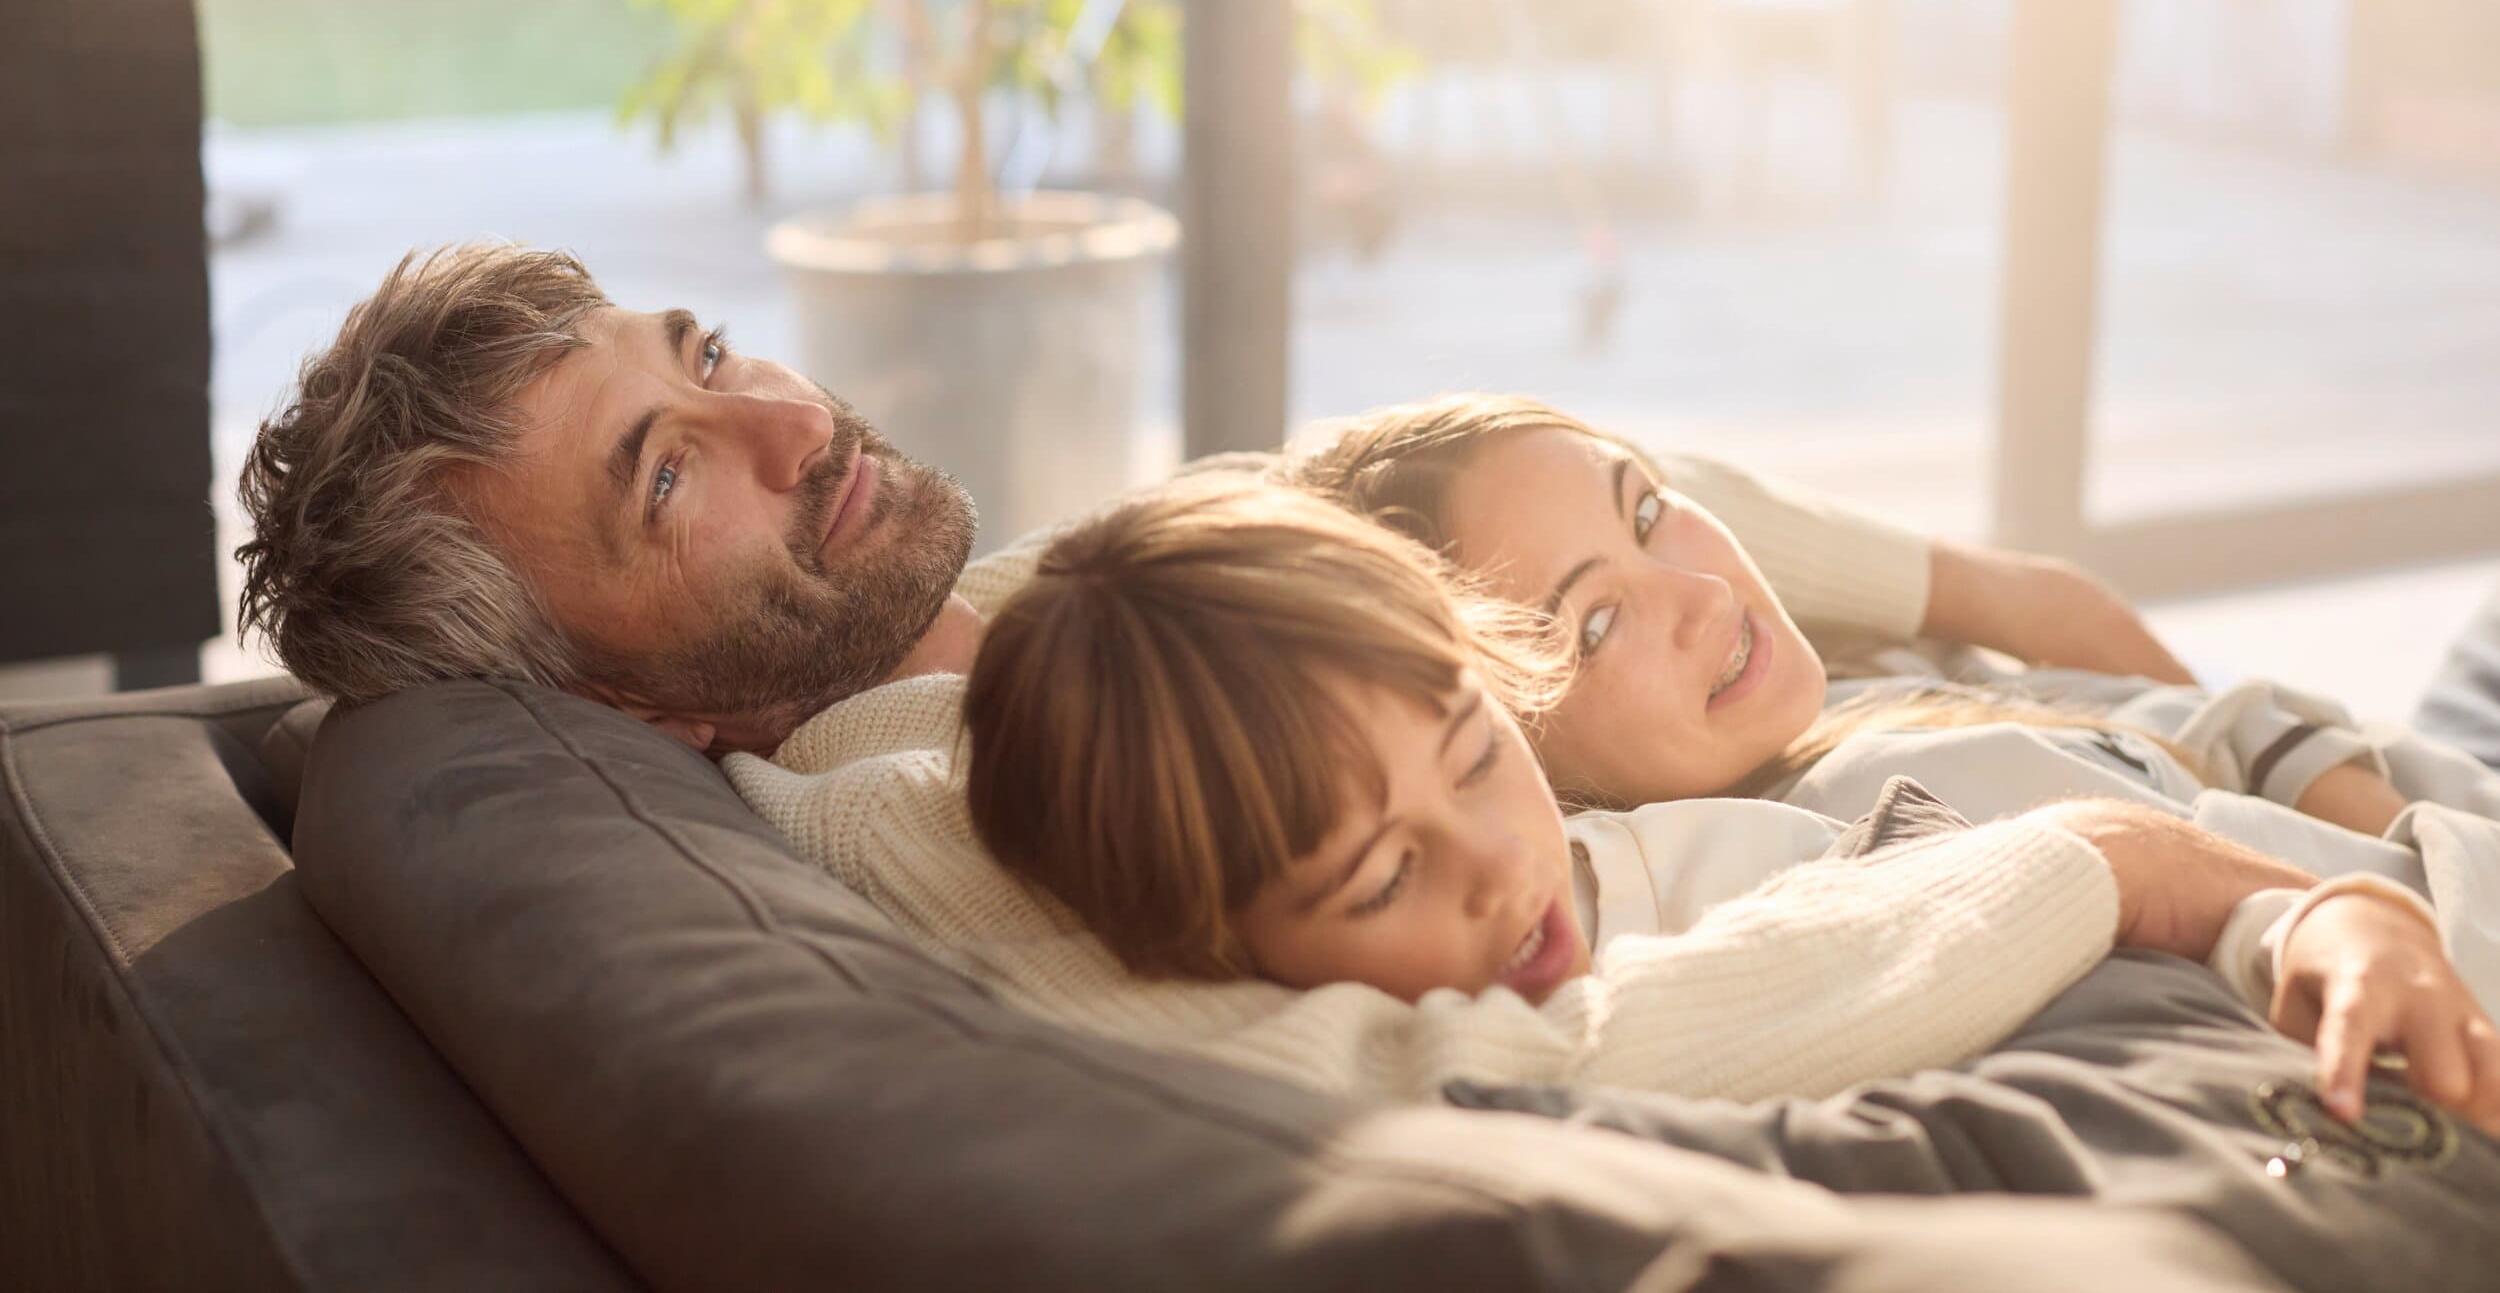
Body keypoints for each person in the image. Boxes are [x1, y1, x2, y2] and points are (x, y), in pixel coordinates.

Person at [229, 243, 2342, 1106]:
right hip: (2091, 846)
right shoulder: (925, 808)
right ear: (619, 702)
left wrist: (1993, 583)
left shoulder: (1072, 580)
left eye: (702, 355)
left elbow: (1448, 484)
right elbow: (1464, 1066)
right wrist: (2108, 862)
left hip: (2116, 740)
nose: (792, 418)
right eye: (670, 469)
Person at [960, 476, 2500, 1129]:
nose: (1501, 870)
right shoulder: (1713, 917)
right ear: (1212, 944)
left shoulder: (1721, 814)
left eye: (1478, 749)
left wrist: (2324, 898)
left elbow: (2155, 833)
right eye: (1381, 877)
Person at [1284, 394, 2500, 1013]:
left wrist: (2374, 806)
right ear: (1507, 745)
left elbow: (2220, 717)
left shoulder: (1855, 683)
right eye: (1593, 623)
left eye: (1647, 508)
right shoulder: (1819, 857)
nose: (1701, 592)